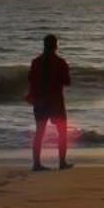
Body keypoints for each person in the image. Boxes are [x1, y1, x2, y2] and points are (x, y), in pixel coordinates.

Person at [26, 34, 73, 171]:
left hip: (39, 101)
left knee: (39, 132)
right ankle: (62, 162)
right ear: (56, 46)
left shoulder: (35, 62)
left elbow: (31, 80)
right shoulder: (60, 62)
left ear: (44, 45)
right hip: (56, 102)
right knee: (62, 132)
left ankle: (36, 164)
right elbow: (67, 82)